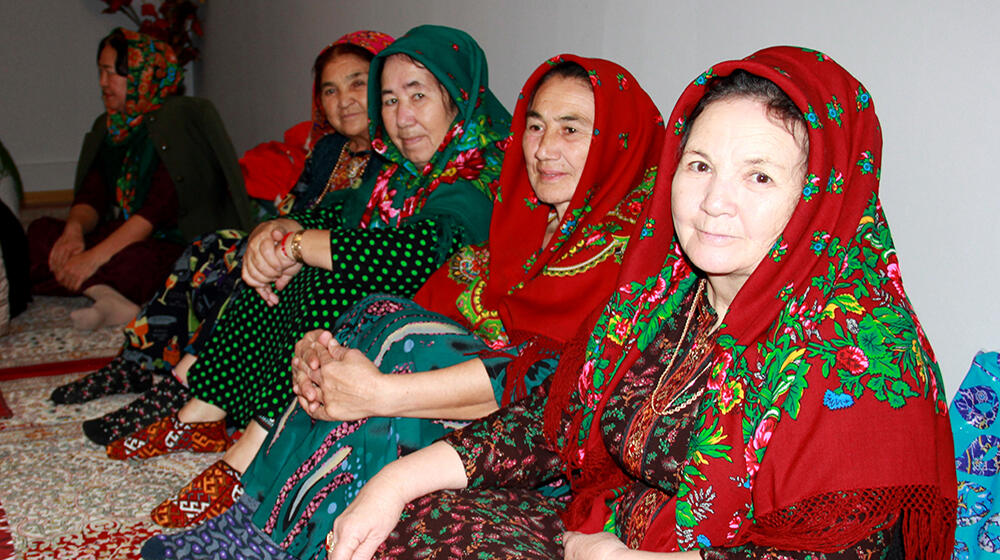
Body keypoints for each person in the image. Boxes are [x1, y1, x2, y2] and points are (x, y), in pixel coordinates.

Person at [324, 46, 957, 560]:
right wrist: (395, 483)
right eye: (700, 165)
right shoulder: (666, 299)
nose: (713, 202)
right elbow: (556, 421)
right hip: (609, 532)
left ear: (822, 196)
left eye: (759, 176)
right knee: (420, 521)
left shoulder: (861, 356)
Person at [139, 55, 665, 560]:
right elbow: (415, 300)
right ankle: (259, 515)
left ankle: (282, 536)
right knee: (378, 318)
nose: (544, 149)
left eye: (571, 129)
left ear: (617, 138)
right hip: (476, 402)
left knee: (399, 359)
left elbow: (557, 388)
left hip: (536, 446)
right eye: (535, 126)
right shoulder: (523, 219)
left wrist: (381, 390)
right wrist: (327, 353)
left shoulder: (636, 254)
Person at [112, 24, 511, 529]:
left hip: (458, 337)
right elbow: (340, 208)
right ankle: (209, 405)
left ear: (457, 97)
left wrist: (298, 245)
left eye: (418, 96)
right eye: (388, 100)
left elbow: (412, 252)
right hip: (393, 313)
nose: (401, 118)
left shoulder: (480, 172)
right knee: (285, 268)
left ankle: (254, 450)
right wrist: (282, 234)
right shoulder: (399, 171)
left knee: (334, 277)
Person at [49, 30, 395, 446]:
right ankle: (138, 362)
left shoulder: (395, 150)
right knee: (208, 248)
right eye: (330, 90)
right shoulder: (329, 150)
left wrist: (278, 248)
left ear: (382, 84)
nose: (344, 100)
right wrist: (272, 239)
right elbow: (297, 209)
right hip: (293, 245)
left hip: (335, 264)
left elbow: (366, 238)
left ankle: (185, 386)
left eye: (358, 82)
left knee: (237, 270)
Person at [27, 28, 253, 330]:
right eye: (101, 72)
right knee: (40, 235)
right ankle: (105, 295)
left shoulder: (178, 121)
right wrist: (73, 232)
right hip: (123, 234)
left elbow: (155, 211)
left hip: (170, 243)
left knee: (139, 265)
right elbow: (92, 194)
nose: (103, 83)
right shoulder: (113, 126)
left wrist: (92, 259)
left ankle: (92, 284)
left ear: (139, 74)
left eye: (111, 73)